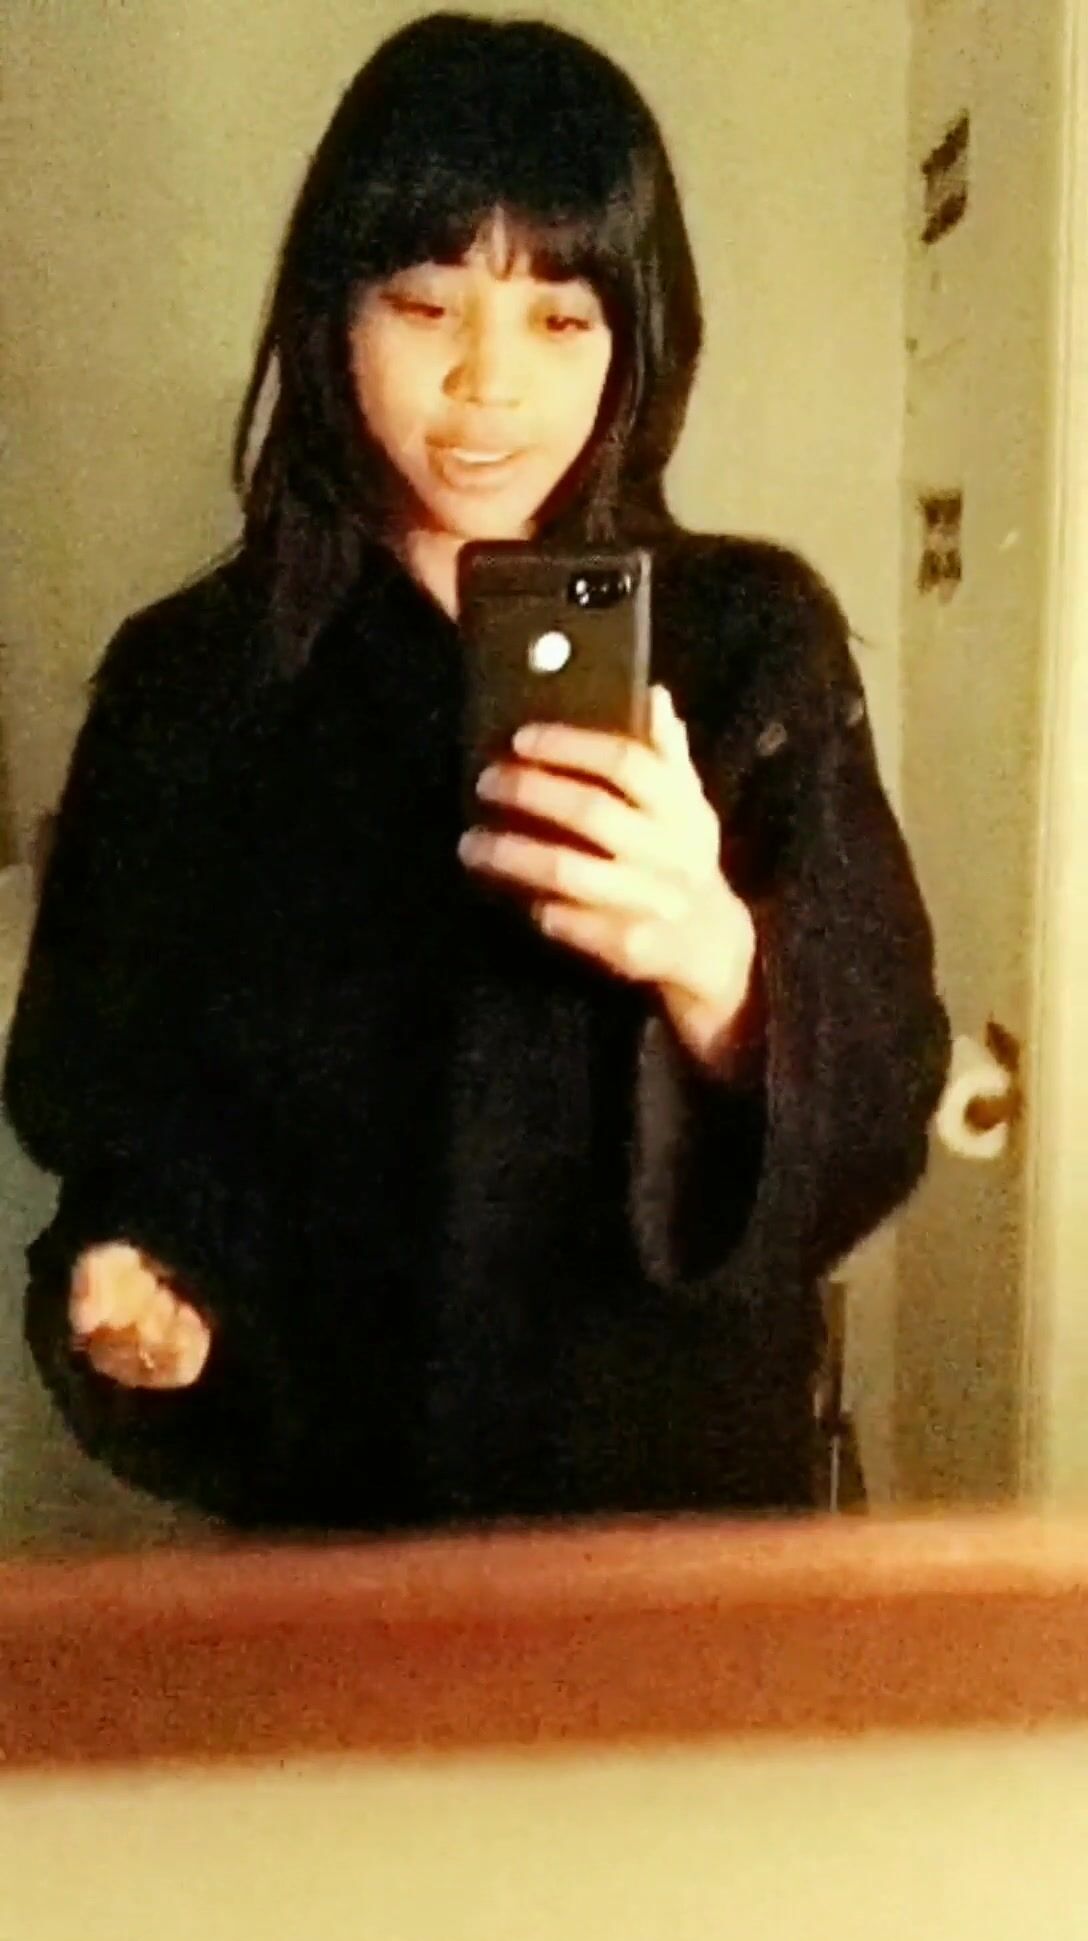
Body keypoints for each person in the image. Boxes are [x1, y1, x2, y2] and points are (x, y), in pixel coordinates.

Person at [3, 11, 951, 1533]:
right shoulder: (194, 682)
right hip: (338, 1539)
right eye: (425, 304)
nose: (486, 387)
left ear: (637, 338)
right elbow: (103, 1105)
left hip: (676, 1535)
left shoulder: (749, 643)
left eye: (560, 320)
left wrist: (721, 970)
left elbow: (888, 1093)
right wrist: (140, 1287)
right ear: (332, 315)